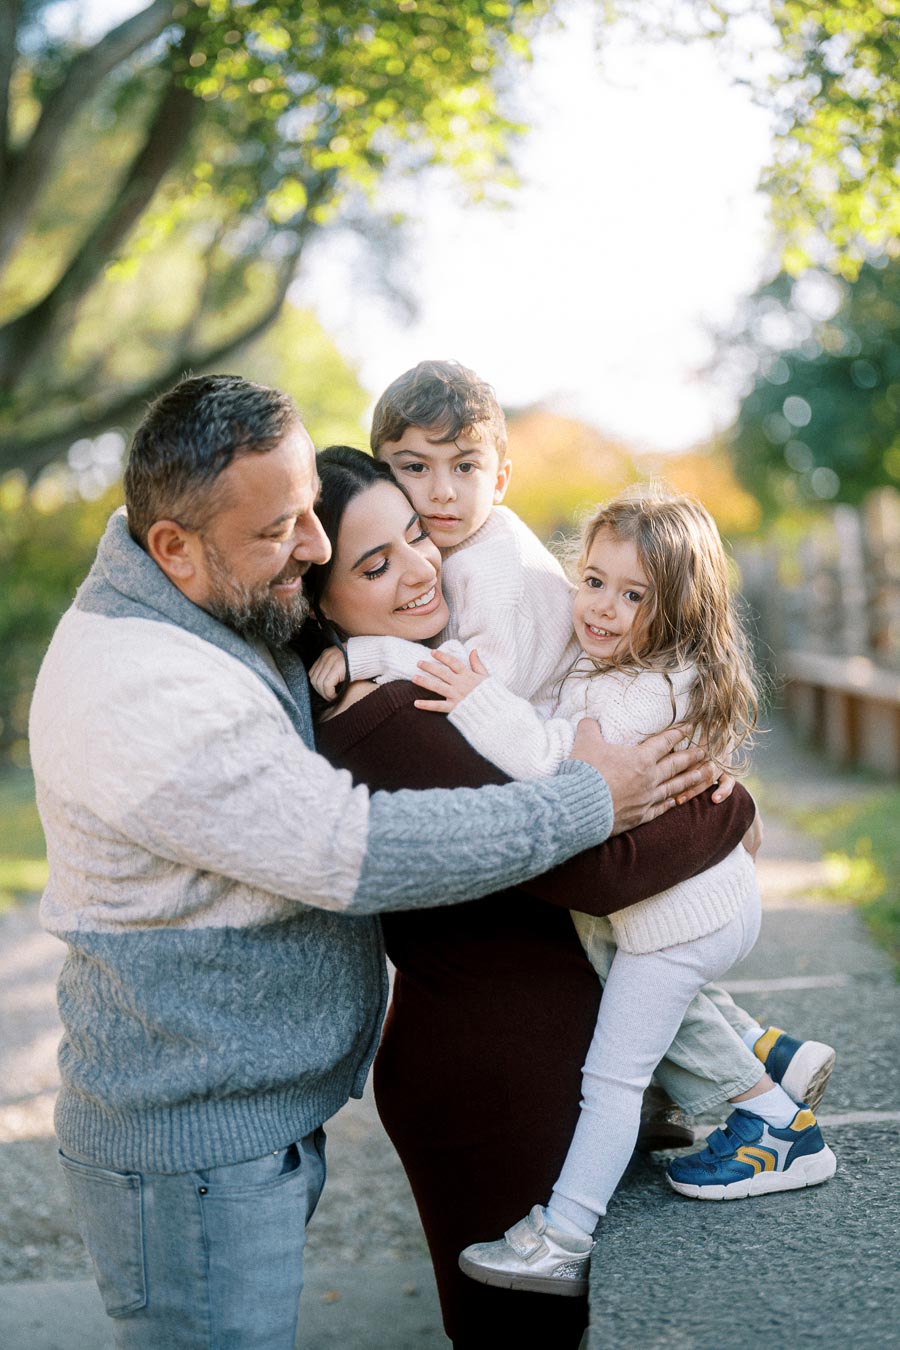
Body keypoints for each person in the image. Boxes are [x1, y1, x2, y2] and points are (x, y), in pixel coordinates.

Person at [28, 375, 716, 1350]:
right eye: (285, 533)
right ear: (174, 546)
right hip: (196, 1139)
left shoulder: (212, 605)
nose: (309, 548)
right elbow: (357, 849)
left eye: (311, 510)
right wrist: (645, 801)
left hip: (250, 1118)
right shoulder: (146, 685)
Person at [301, 446, 762, 1348]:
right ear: (317, 599)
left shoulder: (418, 670)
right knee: (522, 1335)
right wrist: (728, 802)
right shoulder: (392, 714)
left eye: (413, 536)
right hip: (493, 1080)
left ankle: (759, 1068)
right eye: (373, 564)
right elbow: (589, 866)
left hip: (527, 1060)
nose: (417, 568)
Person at [310, 359, 835, 1150]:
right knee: (628, 950)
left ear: (503, 475)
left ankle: (750, 1085)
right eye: (414, 471)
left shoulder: (495, 571)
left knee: (635, 949)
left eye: (463, 468)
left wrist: (373, 652)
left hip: (571, 751)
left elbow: (480, 704)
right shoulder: (461, 560)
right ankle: (759, 1054)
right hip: (564, 778)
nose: (441, 495)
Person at [409, 486, 837, 1294]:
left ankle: (563, 1235)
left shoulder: (629, 694)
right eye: (594, 580)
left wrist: (475, 700)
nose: (602, 608)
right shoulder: (613, 669)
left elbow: (557, 770)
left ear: (675, 609)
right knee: (641, 1012)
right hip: (683, 905)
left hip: (679, 919)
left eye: (634, 594)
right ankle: (770, 1072)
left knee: (611, 1079)